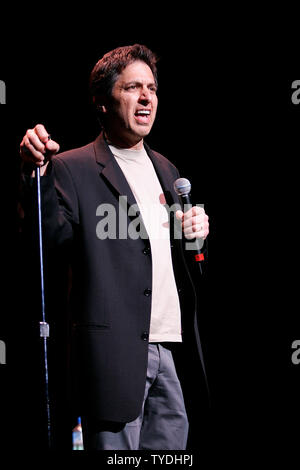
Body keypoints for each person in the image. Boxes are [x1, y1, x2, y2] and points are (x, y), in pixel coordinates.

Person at [19, 44, 209, 450]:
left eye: (152, 88)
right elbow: (48, 241)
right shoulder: (73, 167)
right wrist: (34, 176)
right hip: (113, 355)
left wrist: (194, 234)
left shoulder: (167, 169)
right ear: (103, 102)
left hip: (170, 348)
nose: (146, 98)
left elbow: (169, 260)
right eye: (133, 88)